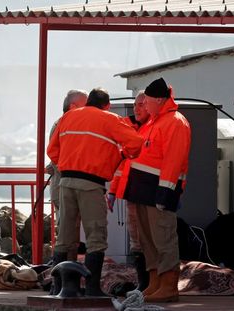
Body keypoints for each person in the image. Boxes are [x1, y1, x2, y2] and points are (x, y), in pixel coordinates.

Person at [47, 88, 144, 296]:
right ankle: (92, 289)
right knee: (96, 236)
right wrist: (120, 154)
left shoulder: (68, 118)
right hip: (91, 184)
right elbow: (136, 144)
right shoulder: (110, 119)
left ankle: (59, 288)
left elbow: (52, 151)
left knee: (64, 236)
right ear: (107, 105)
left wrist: (65, 164)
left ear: (88, 101)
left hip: (66, 182)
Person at [122, 78, 191, 302]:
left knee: (163, 238)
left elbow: (173, 160)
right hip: (142, 191)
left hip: (158, 191)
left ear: (160, 100)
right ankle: (155, 283)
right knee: (148, 240)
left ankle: (169, 286)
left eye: (147, 102)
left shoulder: (175, 122)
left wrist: (165, 191)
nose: (144, 106)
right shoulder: (155, 121)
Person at [106, 91, 150, 292]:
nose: (136, 108)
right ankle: (144, 284)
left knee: (151, 240)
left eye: (141, 104)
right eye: (135, 105)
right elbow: (120, 167)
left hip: (151, 193)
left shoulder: (158, 127)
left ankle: (153, 284)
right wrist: (113, 192)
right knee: (136, 241)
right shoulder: (129, 129)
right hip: (132, 192)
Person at [46, 89, 88, 261]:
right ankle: (65, 274)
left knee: (69, 231)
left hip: (67, 184)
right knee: (66, 232)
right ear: (73, 106)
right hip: (66, 186)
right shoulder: (63, 124)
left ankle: (67, 272)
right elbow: (58, 155)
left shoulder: (65, 124)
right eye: (86, 105)